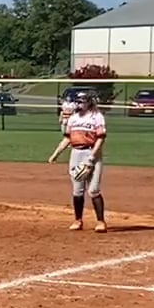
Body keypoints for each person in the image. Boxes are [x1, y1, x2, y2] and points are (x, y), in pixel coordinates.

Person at [49, 89, 108, 233]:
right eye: (78, 101)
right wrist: (56, 154)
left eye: (82, 101)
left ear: (89, 102)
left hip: (92, 152)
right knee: (77, 190)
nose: (79, 104)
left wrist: (92, 157)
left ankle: (101, 222)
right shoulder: (73, 118)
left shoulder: (97, 117)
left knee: (93, 190)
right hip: (76, 153)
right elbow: (67, 138)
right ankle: (78, 220)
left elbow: (100, 138)